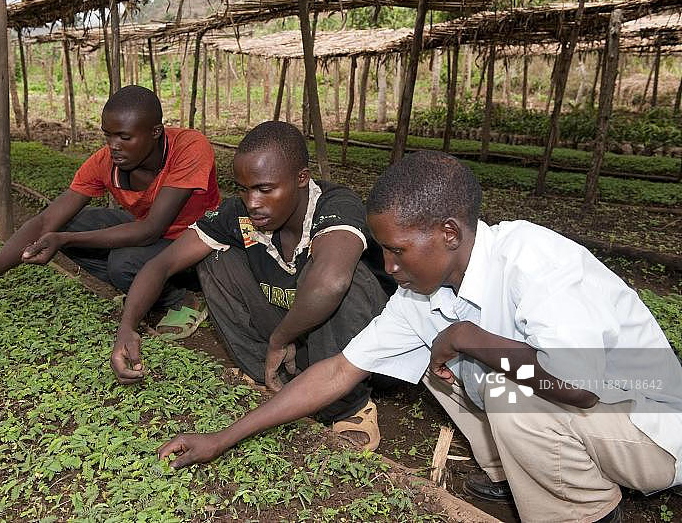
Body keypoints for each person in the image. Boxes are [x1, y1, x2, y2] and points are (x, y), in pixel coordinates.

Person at [157, 151, 682, 523]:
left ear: (449, 233)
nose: (388, 267)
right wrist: (221, 439)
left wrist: (470, 337)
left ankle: (587, 512)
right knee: (438, 363)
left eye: (398, 251)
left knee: (509, 389)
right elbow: (340, 370)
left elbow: (580, 389)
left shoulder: (535, 262)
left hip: (651, 428)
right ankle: (516, 471)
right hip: (589, 421)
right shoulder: (422, 295)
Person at [110, 121, 396, 450]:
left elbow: (329, 284)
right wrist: (127, 327)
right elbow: (162, 264)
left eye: (264, 189)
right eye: (244, 189)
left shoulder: (336, 206)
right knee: (215, 259)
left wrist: (280, 338)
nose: (252, 202)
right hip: (296, 335)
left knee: (344, 276)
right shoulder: (240, 215)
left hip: (366, 354)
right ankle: (271, 377)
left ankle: (350, 406)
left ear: (301, 179)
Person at [0, 85, 218, 332]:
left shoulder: (189, 147)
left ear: (155, 132)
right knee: (68, 223)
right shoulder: (104, 163)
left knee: (122, 262)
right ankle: (145, 286)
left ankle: (182, 299)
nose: (113, 146)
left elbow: (151, 228)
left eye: (124, 137)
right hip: (156, 242)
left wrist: (64, 241)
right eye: (108, 135)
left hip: (202, 248)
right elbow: (44, 223)